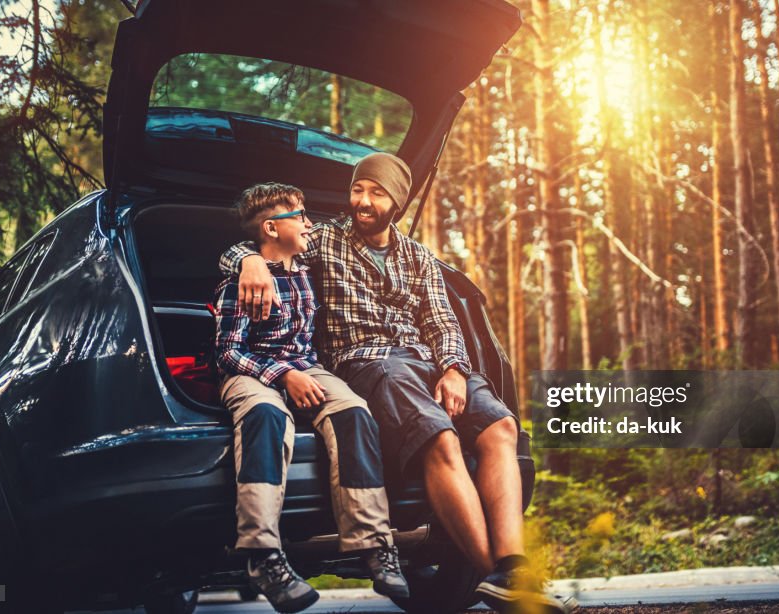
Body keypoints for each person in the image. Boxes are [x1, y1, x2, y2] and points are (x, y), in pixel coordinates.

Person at [219, 155, 571, 614]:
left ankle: (512, 569)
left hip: (428, 364)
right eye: (358, 189)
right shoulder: (325, 239)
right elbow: (261, 239)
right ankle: (510, 589)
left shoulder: (418, 256)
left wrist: (453, 370)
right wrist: (247, 261)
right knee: (440, 438)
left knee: (501, 430)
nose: (362, 201)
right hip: (370, 364)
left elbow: (444, 324)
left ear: (397, 203)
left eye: (376, 193)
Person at [214, 182, 408, 613]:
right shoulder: (240, 283)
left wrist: (301, 374)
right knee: (266, 415)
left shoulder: (304, 265)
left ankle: (374, 544)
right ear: (270, 227)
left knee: (355, 410)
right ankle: (262, 554)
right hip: (251, 371)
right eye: (299, 216)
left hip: (308, 367)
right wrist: (283, 376)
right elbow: (228, 352)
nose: (309, 223)